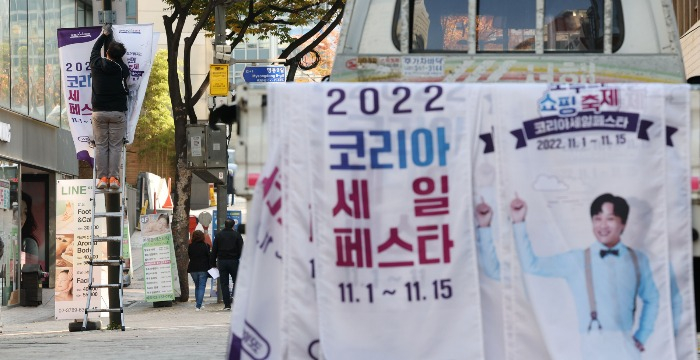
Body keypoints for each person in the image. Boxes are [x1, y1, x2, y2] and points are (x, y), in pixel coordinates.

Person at [491, 193, 659, 359]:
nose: (602, 225)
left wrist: (642, 335)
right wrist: (519, 222)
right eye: (597, 219)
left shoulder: (638, 259)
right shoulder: (576, 260)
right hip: (593, 346)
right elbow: (531, 265)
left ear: (623, 223)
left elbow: (652, 298)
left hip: (627, 348)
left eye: (610, 219)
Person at [90, 23, 130, 190]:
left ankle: (102, 179)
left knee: (101, 145)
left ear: (107, 53)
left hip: (99, 113)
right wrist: (114, 47)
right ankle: (114, 178)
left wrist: (104, 35)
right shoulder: (122, 69)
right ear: (120, 56)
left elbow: (94, 50)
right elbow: (119, 61)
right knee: (115, 146)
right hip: (117, 113)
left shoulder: (96, 64)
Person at [210, 219, 244, 310]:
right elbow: (241, 249)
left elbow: (214, 250)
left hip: (222, 261)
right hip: (234, 261)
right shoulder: (237, 235)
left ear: (225, 225)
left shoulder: (219, 235)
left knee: (224, 283)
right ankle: (234, 296)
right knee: (236, 281)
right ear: (233, 226)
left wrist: (213, 263)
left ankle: (227, 304)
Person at [188, 230, 211, 311]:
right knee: (201, 287)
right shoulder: (206, 246)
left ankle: (199, 303)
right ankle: (198, 305)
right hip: (203, 268)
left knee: (197, 286)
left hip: (193, 268)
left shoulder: (190, 246)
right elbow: (209, 256)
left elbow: (190, 256)